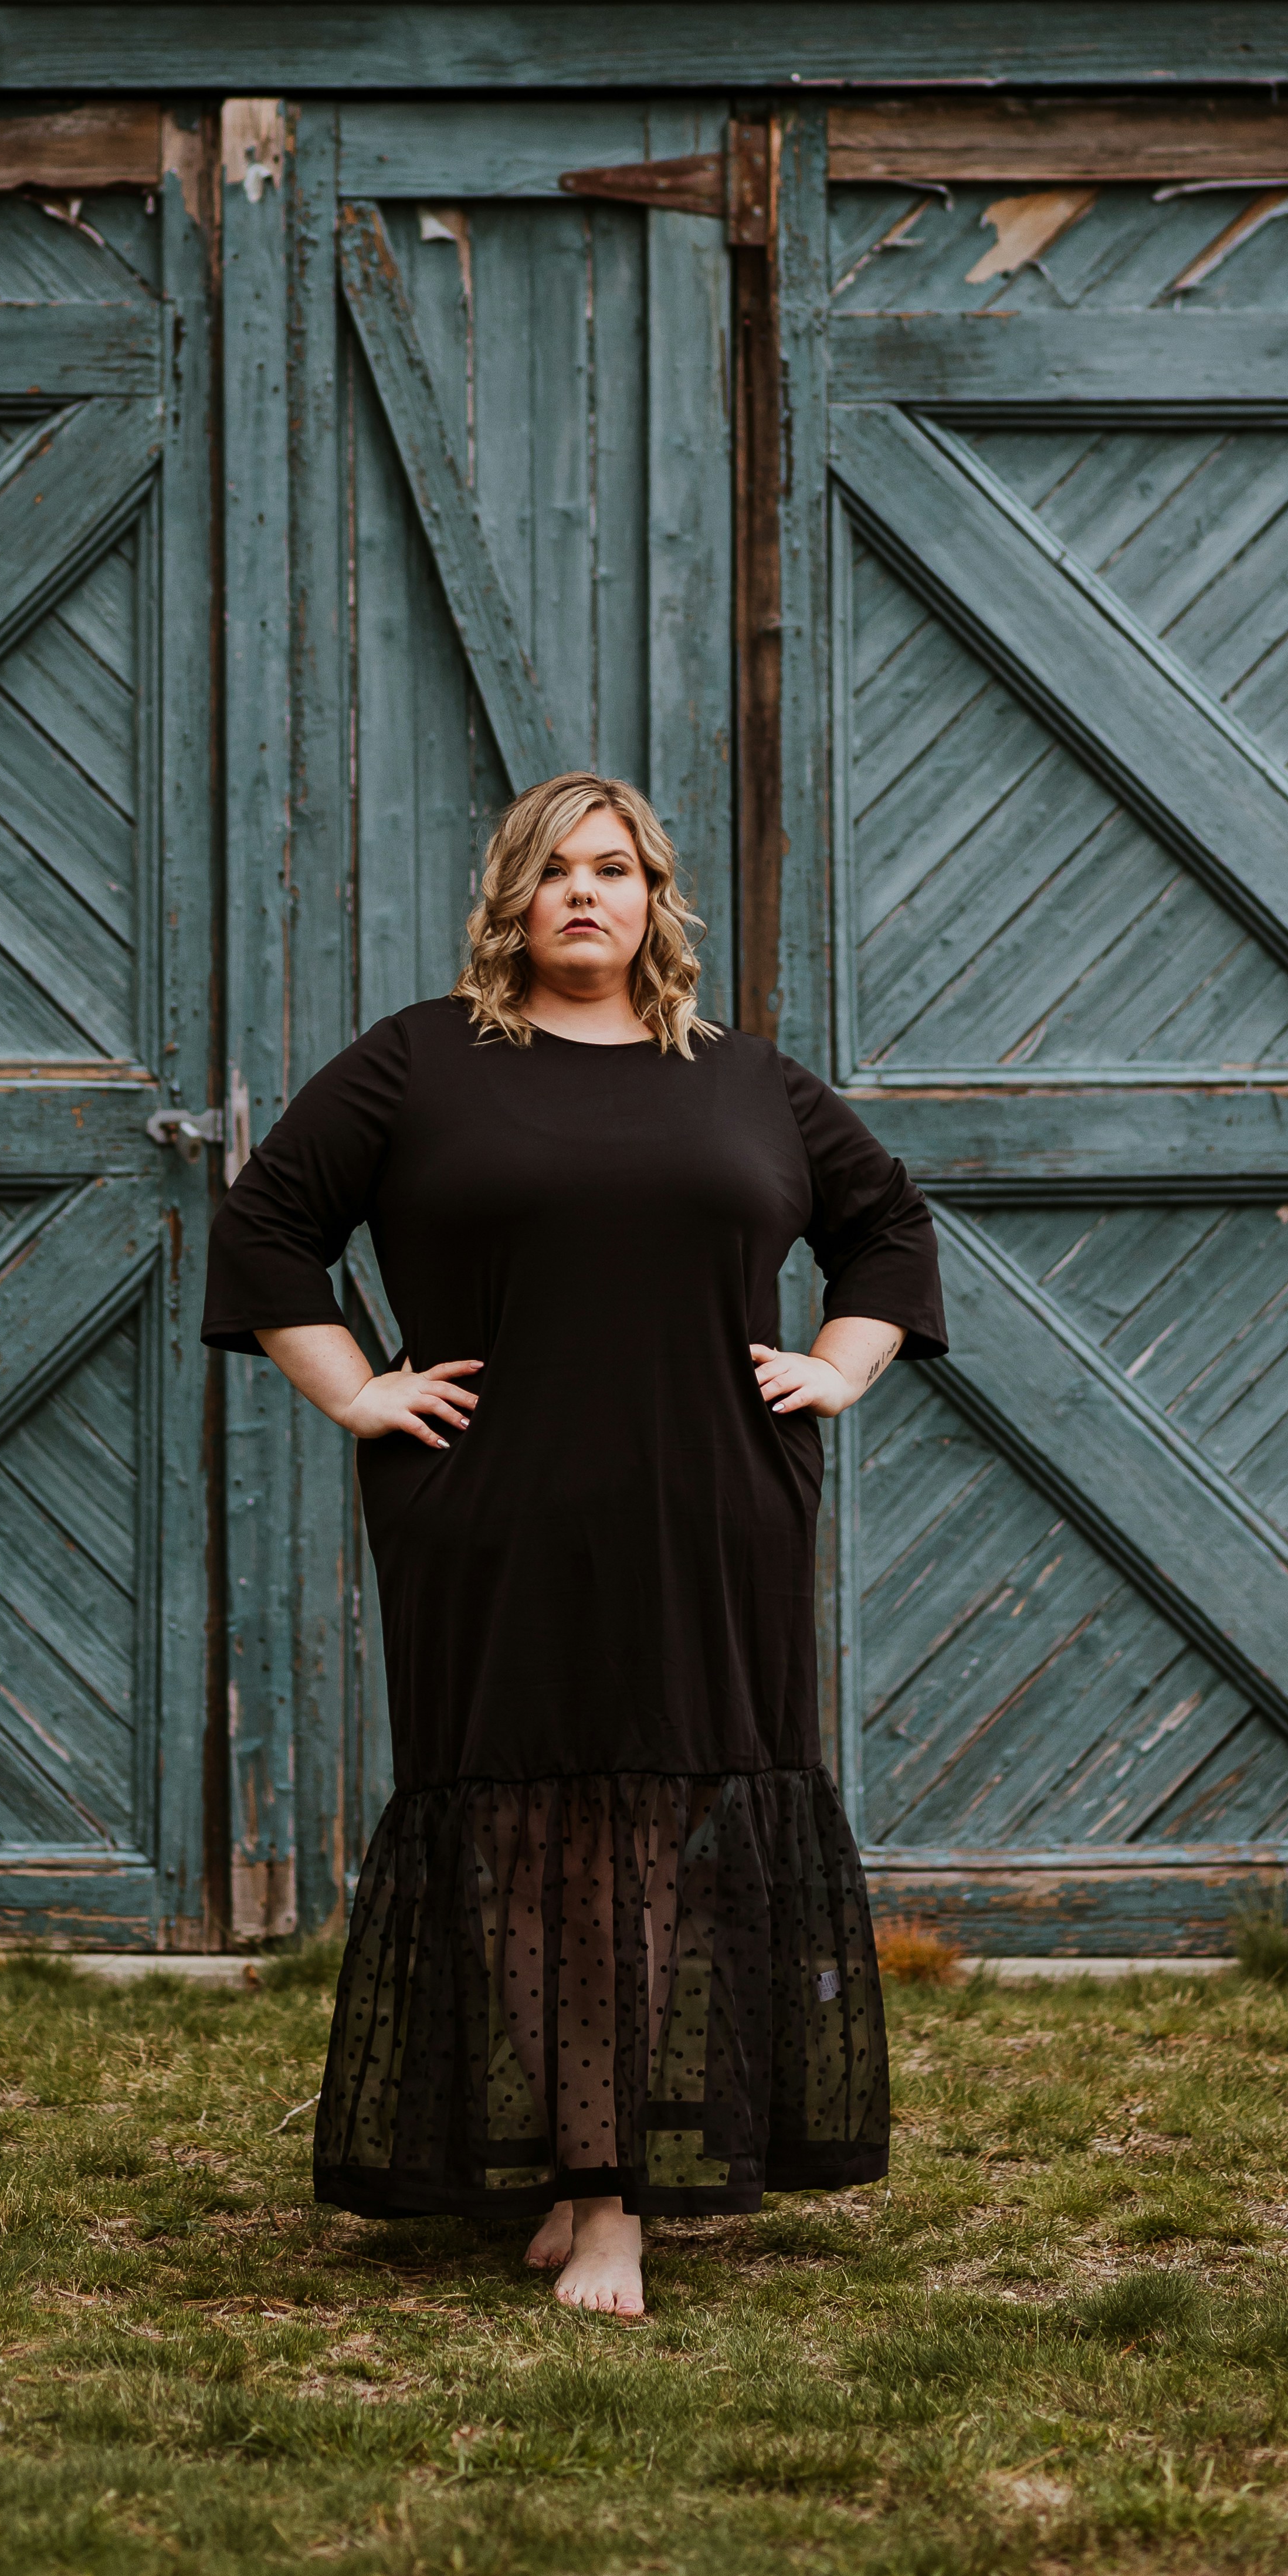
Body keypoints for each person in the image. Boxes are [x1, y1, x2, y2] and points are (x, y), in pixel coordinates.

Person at [201, 772, 946, 2319]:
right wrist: (351, 1383)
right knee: (532, 1849)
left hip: (710, 1512)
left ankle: (600, 2187)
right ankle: (589, 2181)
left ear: (656, 897)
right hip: (491, 1512)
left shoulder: (743, 1082)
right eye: (554, 873)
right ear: (512, 902)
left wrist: (841, 1362)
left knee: (660, 1842)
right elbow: (267, 1220)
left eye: (614, 869)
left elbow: (886, 1224)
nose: (585, 896)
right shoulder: (419, 1063)